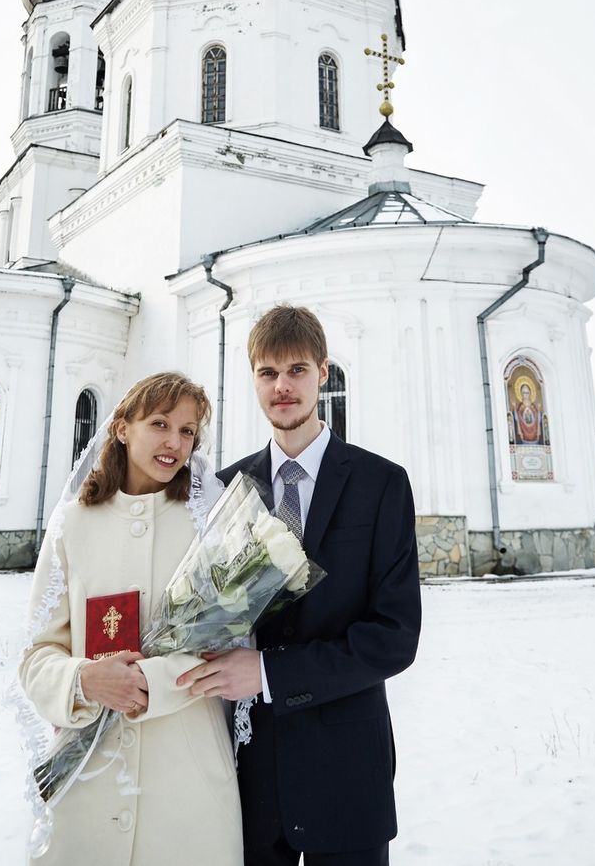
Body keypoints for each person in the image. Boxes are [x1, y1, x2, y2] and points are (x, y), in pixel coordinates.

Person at [178, 305, 421, 866]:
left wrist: (267, 672)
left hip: (346, 766)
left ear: (323, 373)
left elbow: (395, 635)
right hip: (251, 774)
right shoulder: (223, 490)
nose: (282, 387)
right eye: (267, 373)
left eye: (296, 371)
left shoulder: (380, 484)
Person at [18, 372, 243, 866]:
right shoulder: (73, 524)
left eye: (188, 432)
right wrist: (83, 680)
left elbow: (230, 643)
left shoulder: (210, 524)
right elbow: (36, 656)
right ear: (122, 427)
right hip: (89, 782)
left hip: (188, 781)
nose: (174, 443)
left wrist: (149, 682)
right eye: (160, 423)